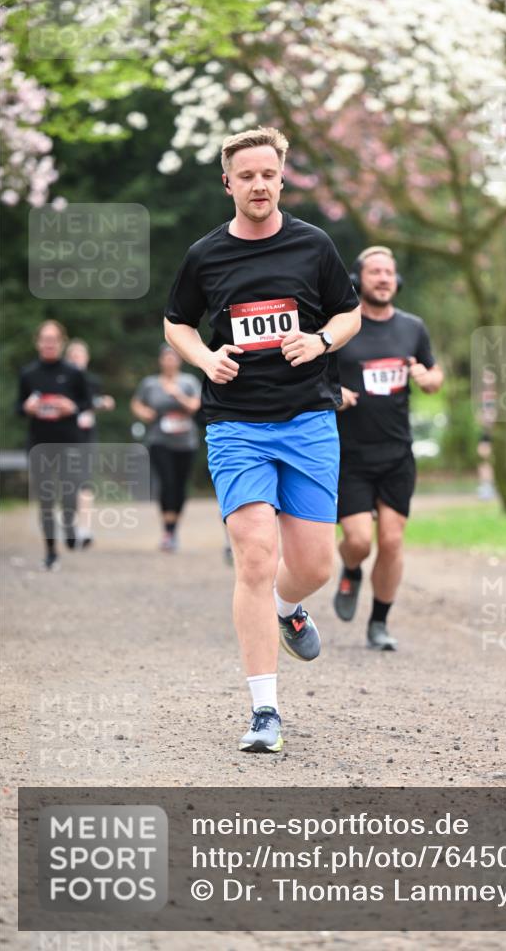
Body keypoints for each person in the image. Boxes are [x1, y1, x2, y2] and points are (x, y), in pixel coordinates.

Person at [163, 125, 360, 753]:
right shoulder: (205, 256)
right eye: (245, 175)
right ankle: (264, 711)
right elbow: (176, 325)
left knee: (315, 565)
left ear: (281, 177)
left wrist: (321, 340)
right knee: (253, 554)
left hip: (308, 421)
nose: (258, 185)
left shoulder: (314, 245)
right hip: (236, 425)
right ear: (228, 183)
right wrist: (204, 358)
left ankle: (286, 606)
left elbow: (348, 312)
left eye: (268, 174)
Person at [332, 246, 443, 650]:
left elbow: (435, 374)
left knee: (393, 542)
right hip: (349, 454)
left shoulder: (412, 327)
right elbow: (312, 374)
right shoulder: (343, 327)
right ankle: (350, 568)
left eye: (389, 272)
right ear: (358, 278)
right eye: (375, 271)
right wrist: (334, 393)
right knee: (359, 540)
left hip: (397, 452)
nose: (383, 278)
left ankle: (379, 623)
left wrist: (427, 378)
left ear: (397, 280)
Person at [17, 320, 91, 570]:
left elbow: (87, 402)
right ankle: (50, 551)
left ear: (62, 342)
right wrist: (26, 407)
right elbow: (17, 408)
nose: (49, 344)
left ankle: (70, 525)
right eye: (45, 339)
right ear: (38, 342)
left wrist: (72, 407)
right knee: (46, 499)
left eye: (54, 340)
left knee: (70, 492)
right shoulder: (28, 374)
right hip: (40, 444)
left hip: (69, 442)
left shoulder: (74, 373)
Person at [130, 344, 202, 551]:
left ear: (179, 360)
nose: (169, 361)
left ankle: (173, 528)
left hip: (185, 442)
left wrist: (177, 394)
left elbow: (196, 405)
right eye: (166, 357)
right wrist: (144, 412)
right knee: (166, 482)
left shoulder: (188, 382)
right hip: (159, 441)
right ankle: (167, 530)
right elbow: (136, 403)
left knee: (180, 485)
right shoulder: (150, 384)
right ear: (161, 360)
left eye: (173, 357)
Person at [65, 338, 116, 548]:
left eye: (81, 356)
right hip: (66, 436)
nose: (77, 360)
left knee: (85, 482)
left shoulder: (92, 381)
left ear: (87, 358)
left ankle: (84, 529)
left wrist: (105, 403)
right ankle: (69, 526)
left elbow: (98, 402)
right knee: (69, 482)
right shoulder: (62, 380)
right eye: (73, 356)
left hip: (87, 436)